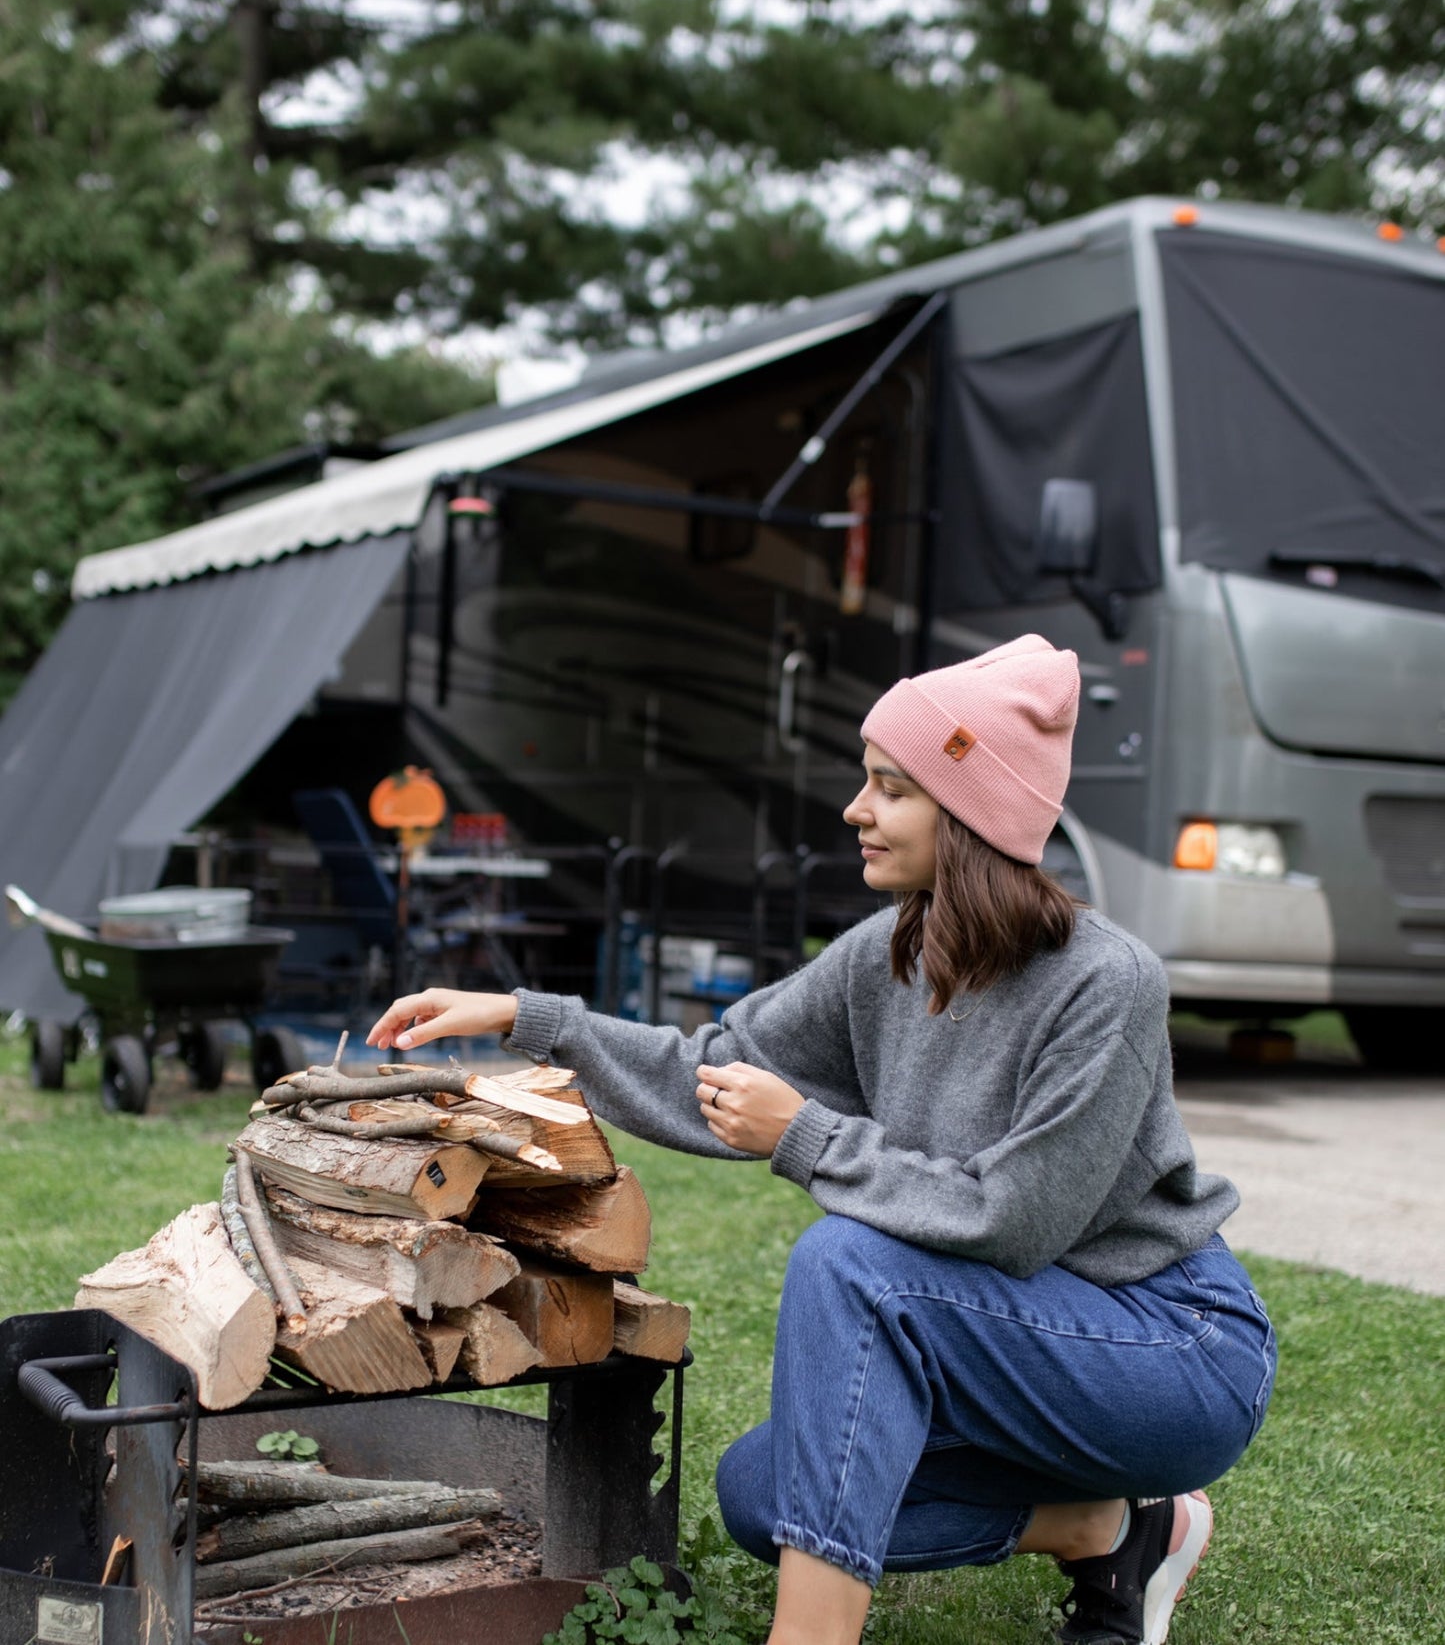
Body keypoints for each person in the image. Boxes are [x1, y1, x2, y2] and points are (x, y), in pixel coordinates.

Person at [365, 634, 1276, 1645]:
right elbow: (709, 1067)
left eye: (889, 787)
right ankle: (1104, 1529)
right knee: (766, 1495)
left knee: (853, 1263)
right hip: (1001, 1344)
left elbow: (1014, 1219)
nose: (854, 809)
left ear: (969, 812)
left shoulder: (1106, 983)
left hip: (1166, 1353)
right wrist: (529, 1019)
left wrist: (802, 1134)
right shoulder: (883, 959)